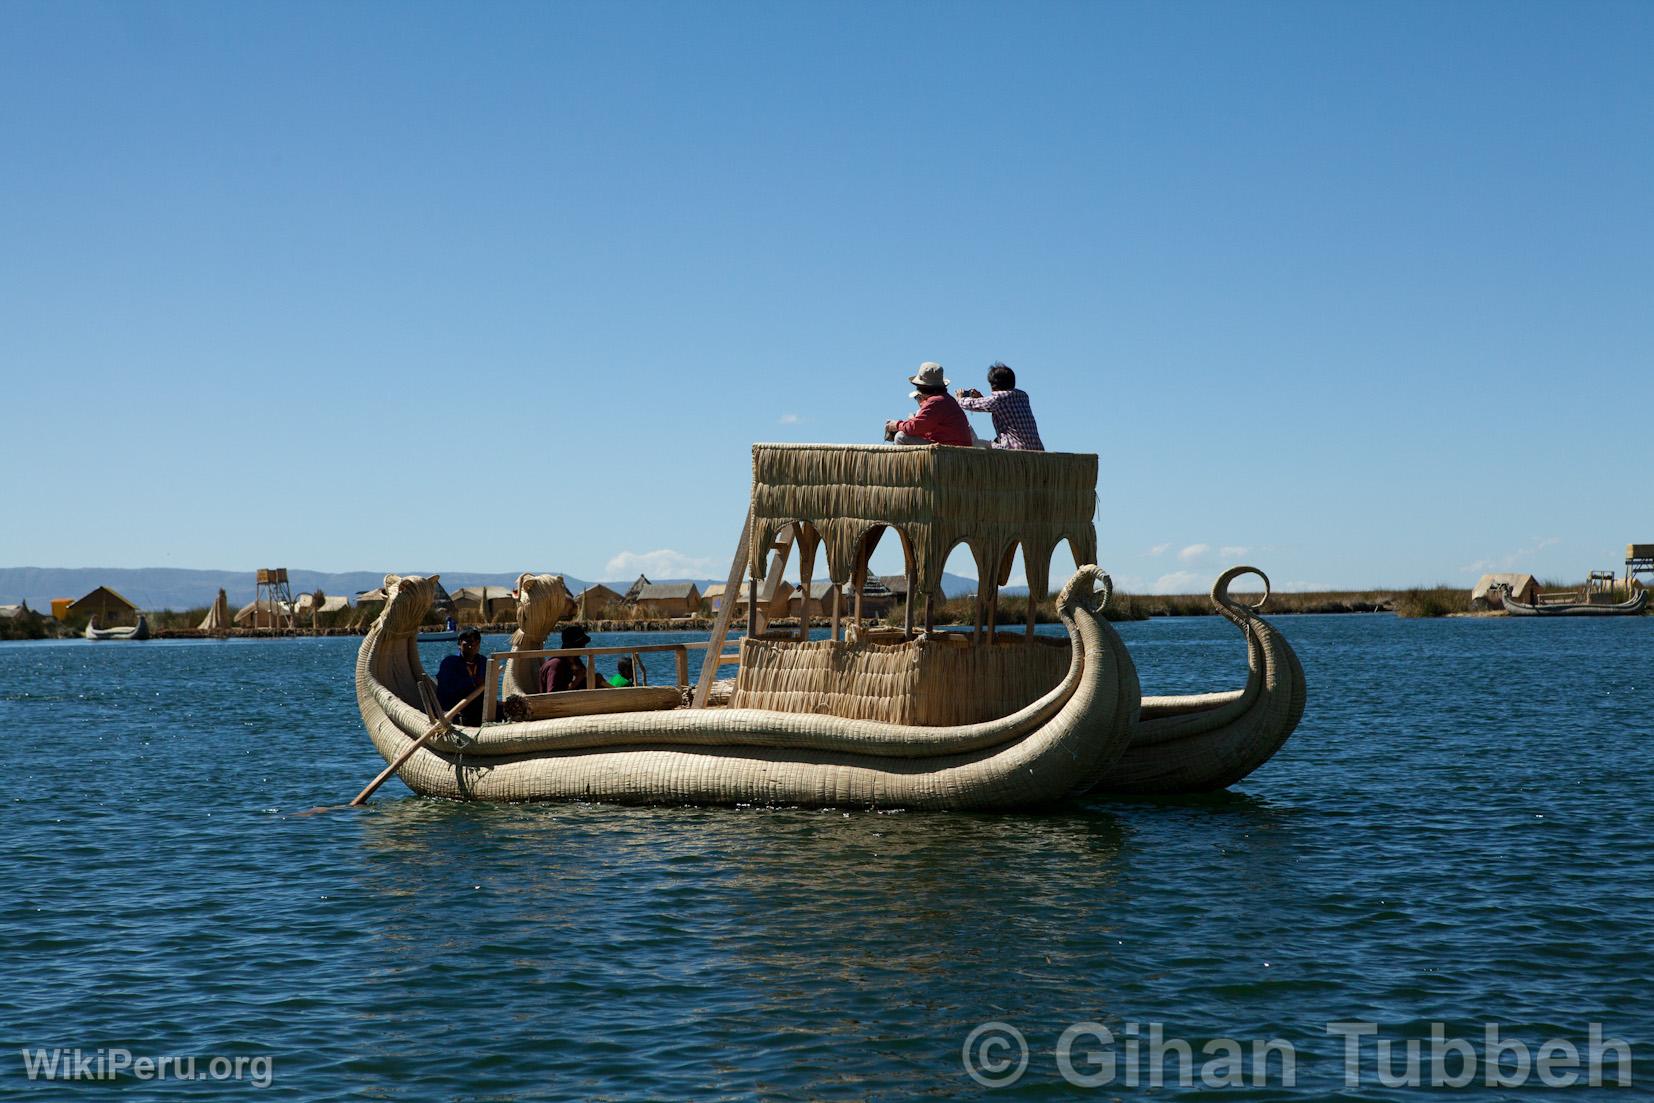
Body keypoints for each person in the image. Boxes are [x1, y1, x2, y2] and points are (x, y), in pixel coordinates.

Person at [956, 361, 1044, 451]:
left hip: (1014, 449)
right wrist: (981, 398)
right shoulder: (1023, 395)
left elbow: (971, 404)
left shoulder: (998, 399)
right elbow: (1004, 408)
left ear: (993, 386)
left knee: (976, 443)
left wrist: (960, 398)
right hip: (1037, 448)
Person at [883, 362, 972, 447]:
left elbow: (915, 427)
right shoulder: (947, 399)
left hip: (947, 449)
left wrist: (896, 425)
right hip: (958, 447)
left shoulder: (935, 401)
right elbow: (924, 428)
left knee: (901, 437)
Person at [435, 627, 489, 725]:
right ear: (459, 644)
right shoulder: (450, 663)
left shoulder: (483, 662)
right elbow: (443, 693)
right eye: (468, 641)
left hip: (480, 708)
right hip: (457, 709)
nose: (472, 644)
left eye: (476, 641)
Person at [540, 624, 593, 692]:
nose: (584, 648)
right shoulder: (555, 665)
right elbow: (553, 696)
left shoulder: (576, 661)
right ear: (575, 646)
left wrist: (593, 679)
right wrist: (576, 681)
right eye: (582, 645)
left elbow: (583, 682)